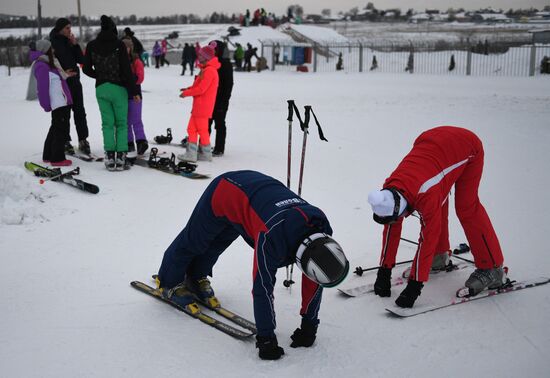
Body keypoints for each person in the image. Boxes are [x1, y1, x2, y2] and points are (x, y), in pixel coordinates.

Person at [155, 170, 349, 360]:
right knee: (196, 240)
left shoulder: (320, 230)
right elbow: (262, 287)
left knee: (218, 241)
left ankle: (196, 276)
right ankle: (169, 282)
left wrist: (310, 324)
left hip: (254, 196)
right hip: (226, 190)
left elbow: (315, 279)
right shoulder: (272, 235)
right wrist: (266, 337)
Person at [367, 126, 506, 308]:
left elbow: (428, 236)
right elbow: (392, 227)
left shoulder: (426, 192)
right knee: (436, 200)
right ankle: (438, 256)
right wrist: (384, 271)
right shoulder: (391, 189)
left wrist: (415, 286)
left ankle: (493, 268)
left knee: (466, 207)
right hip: (432, 144)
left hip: (467, 147)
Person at [83, 15, 139, 171]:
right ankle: (121, 157)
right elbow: (127, 71)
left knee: (107, 123)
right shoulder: (119, 45)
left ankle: (109, 156)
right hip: (118, 88)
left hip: (101, 89)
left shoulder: (92, 45)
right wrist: (134, 90)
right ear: (113, 29)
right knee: (121, 123)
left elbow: (86, 69)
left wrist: (99, 76)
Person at [49, 18, 90, 156]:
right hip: (62, 83)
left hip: (75, 82)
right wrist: (62, 73)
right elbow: (50, 64)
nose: (69, 30)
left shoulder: (69, 41)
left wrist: (75, 45)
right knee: (63, 114)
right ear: (60, 28)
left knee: (80, 111)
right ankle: (65, 141)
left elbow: (81, 60)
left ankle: (83, 140)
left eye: (70, 28)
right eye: (67, 28)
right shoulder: (53, 43)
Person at [29, 39, 74, 166]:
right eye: (51, 48)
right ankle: (57, 158)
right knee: (60, 129)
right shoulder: (41, 66)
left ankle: (48, 155)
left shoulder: (49, 63)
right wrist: (46, 104)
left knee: (55, 128)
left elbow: (57, 81)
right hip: (57, 103)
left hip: (61, 102)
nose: (53, 50)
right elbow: (42, 89)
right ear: (45, 50)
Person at [177, 42, 220, 163]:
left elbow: (201, 89)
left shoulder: (209, 71)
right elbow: (198, 86)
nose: (198, 56)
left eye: (201, 55)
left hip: (202, 106)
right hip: (200, 106)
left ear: (206, 57)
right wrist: (187, 89)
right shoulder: (206, 69)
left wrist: (186, 94)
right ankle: (204, 154)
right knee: (195, 129)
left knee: (197, 129)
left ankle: (194, 154)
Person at [122, 38, 148, 157]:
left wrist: (130, 81)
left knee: (136, 119)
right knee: (125, 121)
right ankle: (128, 142)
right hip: (122, 95)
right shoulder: (119, 61)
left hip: (135, 95)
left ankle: (141, 141)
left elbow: (140, 77)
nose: (124, 49)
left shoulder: (136, 61)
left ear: (130, 48)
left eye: (126, 47)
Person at [208, 40, 233, 157]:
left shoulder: (226, 64)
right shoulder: (209, 62)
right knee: (206, 123)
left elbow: (228, 85)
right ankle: (204, 145)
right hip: (208, 99)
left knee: (219, 123)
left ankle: (219, 148)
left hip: (220, 100)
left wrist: (223, 101)